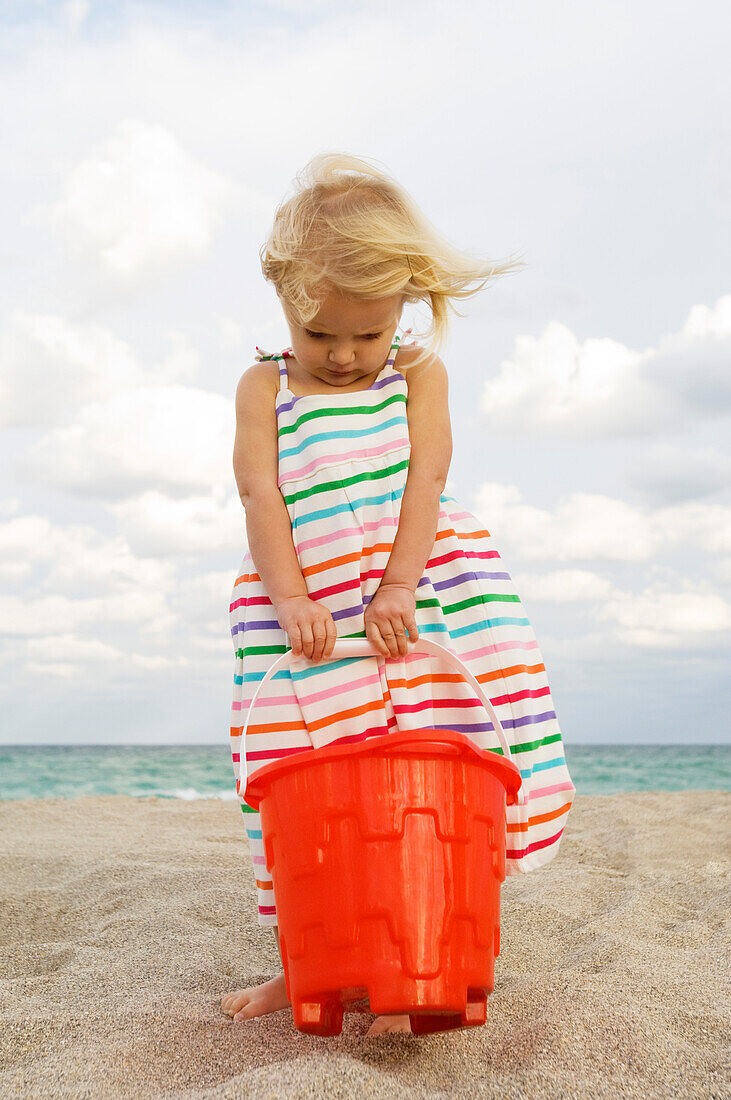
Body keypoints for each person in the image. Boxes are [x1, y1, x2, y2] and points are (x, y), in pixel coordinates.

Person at [221, 153, 576, 1035]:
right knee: (311, 775)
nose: (343, 356)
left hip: (418, 587)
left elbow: (427, 479)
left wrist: (398, 586)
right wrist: (296, 599)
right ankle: (307, 964)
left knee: (431, 761)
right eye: (320, 335)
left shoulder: (417, 376)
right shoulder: (264, 386)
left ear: (406, 308)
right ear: (284, 304)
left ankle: (419, 960)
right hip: (300, 597)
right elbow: (261, 496)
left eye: (366, 335)